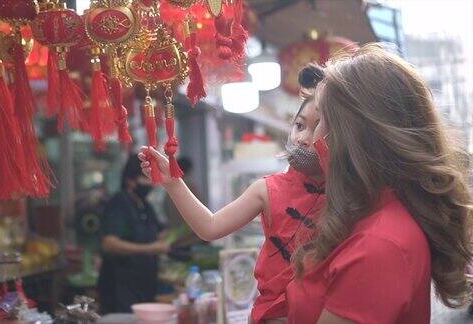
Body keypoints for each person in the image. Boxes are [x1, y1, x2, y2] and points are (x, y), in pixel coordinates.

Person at [286, 44, 473, 324]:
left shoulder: (377, 245)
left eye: (321, 120)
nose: (310, 140)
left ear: (350, 136)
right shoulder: (375, 216)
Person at [138, 65, 326, 324]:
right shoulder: (267, 188)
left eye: (317, 126)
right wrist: (173, 183)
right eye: (299, 125)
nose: (303, 137)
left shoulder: (349, 193)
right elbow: (210, 227)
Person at [97, 154, 170, 314]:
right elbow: (110, 243)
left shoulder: (145, 205)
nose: (151, 183)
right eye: (146, 179)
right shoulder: (119, 203)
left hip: (144, 284)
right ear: (130, 181)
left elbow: (159, 231)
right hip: (121, 288)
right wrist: (149, 249)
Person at [163, 157, 205, 247]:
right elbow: (202, 211)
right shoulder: (191, 188)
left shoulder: (169, 189)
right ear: (189, 170)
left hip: (174, 238)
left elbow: (166, 210)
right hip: (191, 239)